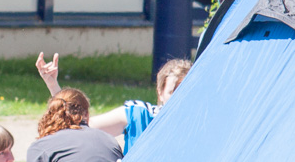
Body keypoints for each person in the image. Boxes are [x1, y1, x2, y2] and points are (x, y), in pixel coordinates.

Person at [35, 54, 191, 155]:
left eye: (186, 91)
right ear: (160, 92)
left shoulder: (202, 123)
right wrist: (53, 85)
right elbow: (79, 128)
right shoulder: (139, 115)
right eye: (173, 92)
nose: (179, 98)